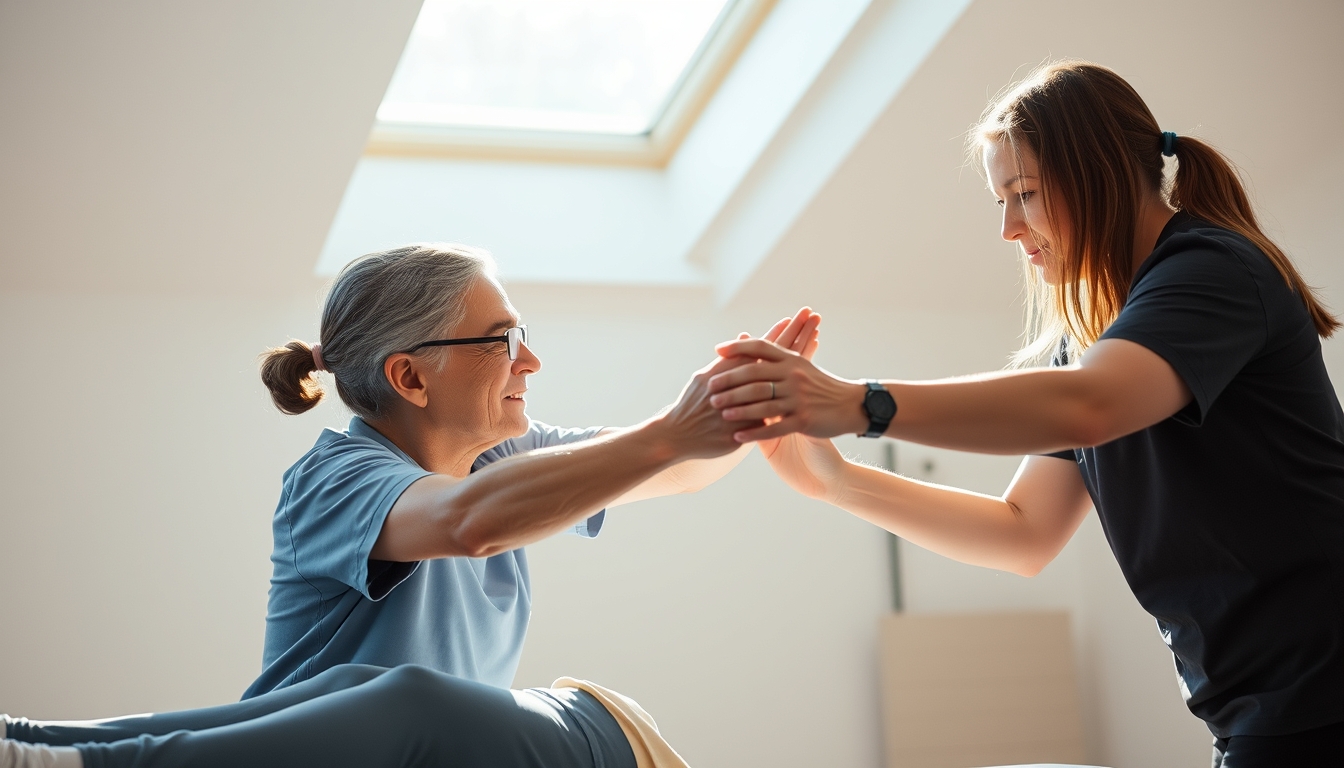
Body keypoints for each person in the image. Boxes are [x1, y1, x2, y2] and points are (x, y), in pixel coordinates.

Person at [707, 60, 1342, 767]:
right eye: (1000, 200)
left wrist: (857, 403)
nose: (1010, 228)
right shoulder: (1096, 339)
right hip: (1260, 708)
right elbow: (1024, 533)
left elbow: (1088, 407)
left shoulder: (1214, 271)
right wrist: (836, 482)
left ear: (1098, 171)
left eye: (1025, 193)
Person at [246, 243, 821, 698]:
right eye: (503, 340)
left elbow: (676, 471)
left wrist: (750, 405)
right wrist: (671, 433)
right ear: (411, 378)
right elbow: (467, 523)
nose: (531, 361)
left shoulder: (496, 456)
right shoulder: (334, 480)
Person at [1, 663, 686, 767]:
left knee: (413, 700)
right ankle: (32, 743)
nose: (526, 363)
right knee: (363, 683)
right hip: (604, 722)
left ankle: (37, 757)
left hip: (619, 752)